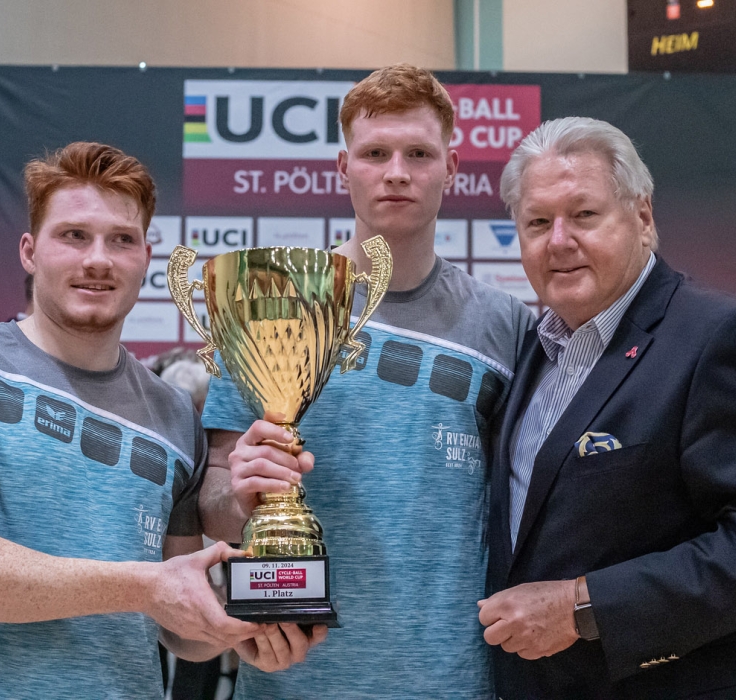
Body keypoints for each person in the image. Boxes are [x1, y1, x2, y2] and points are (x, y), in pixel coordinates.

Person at [0, 142, 317, 698]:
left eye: (122, 240)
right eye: (74, 235)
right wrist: (148, 587)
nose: (98, 260)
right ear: (29, 251)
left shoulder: (173, 412)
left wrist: (240, 625)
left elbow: (177, 631)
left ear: (146, 260)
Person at [199, 64, 537, 698]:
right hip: (293, 678)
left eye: (418, 153)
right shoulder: (270, 299)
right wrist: (239, 491)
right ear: (342, 168)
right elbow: (213, 508)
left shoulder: (505, 325)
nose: (397, 171)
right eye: (375, 153)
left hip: (451, 681)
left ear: (453, 167)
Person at [478, 117, 736, 699]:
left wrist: (581, 607)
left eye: (584, 215)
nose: (559, 240)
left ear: (642, 216)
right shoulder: (533, 352)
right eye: (537, 222)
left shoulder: (723, 337)